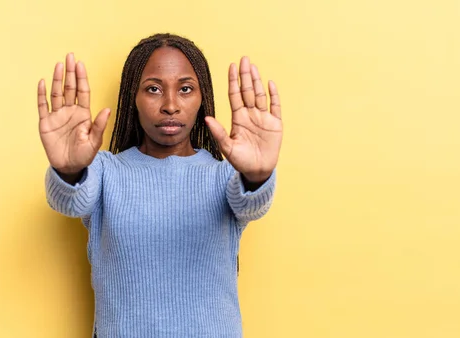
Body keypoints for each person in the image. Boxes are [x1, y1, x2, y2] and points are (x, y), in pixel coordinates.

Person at [37, 33, 283, 337]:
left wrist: (257, 175)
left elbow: (252, 202)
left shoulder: (225, 177)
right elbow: (70, 201)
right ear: (133, 98)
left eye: (185, 89)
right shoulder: (105, 171)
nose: (170, 105)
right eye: (153, 89)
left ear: (201, 97)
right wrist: (69, 169)